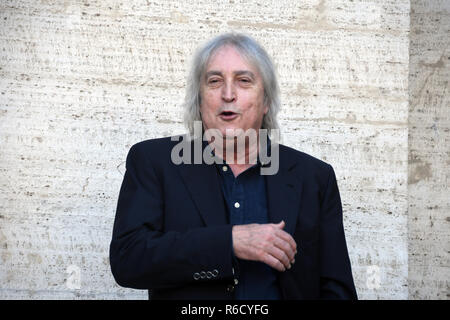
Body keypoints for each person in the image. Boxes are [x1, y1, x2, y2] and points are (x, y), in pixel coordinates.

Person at [109, 33, 358, 300]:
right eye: (214, 81)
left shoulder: (315, 177)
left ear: (266, 102)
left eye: (244, 81)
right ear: (199, 100)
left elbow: (336, 289)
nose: (228, 94)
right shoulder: (154, 161)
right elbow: (128, 260)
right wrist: (229, 243)